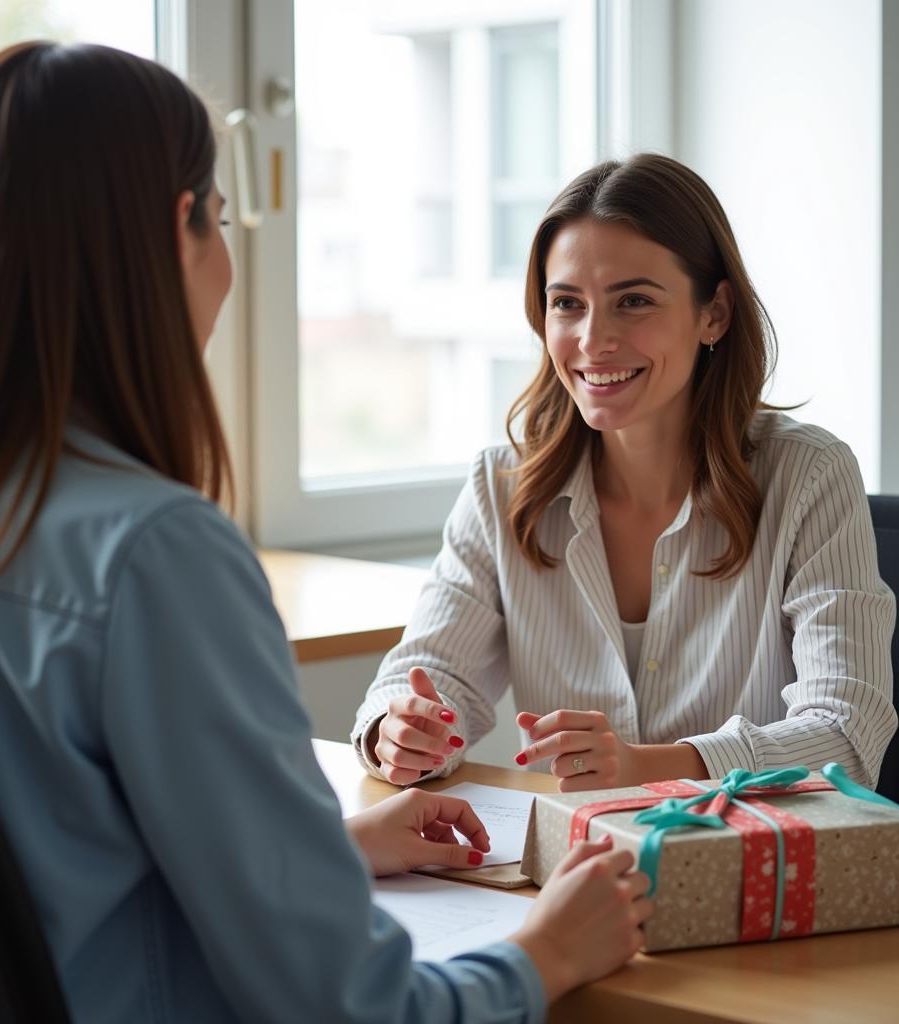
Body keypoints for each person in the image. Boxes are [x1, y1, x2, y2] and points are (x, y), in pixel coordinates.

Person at [0, 42, 653, 1023]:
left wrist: (328, 849)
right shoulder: (153, 555)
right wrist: (544, 954)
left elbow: (49, 862)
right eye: (226, 219)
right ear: (181, 229)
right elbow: (346, 1009)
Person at [354, 153, 897, 792]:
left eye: (633, 301)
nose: (592, 339)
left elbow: (847, 734)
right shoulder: (500, 486)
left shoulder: (809, 476)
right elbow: (423, 675)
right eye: (567, 303)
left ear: (714, 314)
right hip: (571, 877)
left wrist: (653, 768)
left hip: (755, 877)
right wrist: (401, 731)